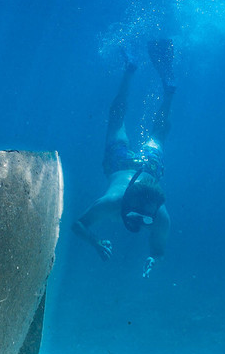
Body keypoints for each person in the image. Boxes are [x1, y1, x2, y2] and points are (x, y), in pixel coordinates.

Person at [72, 40, 176, 275]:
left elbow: (80, 225)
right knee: (146, 129)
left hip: (143, 165)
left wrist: (154, 259)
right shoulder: (117, 204)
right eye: (139, 216)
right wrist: (95, 243)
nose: (139, 222)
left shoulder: (155, 215)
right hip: (127, 164)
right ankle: (166, 92)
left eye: (145, 219)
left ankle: (132, 72)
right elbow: (76, 225)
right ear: (126, 202)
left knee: (134, 126)